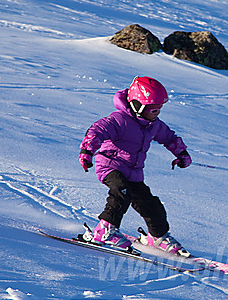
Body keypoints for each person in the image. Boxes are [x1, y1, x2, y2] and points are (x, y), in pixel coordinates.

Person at [79, 76, 192, 256]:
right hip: (110, 165)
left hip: (134, 172)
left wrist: (182, 154)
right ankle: (104, 231)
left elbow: (169, 137)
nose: (157, 114)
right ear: (138, 106)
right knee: (121, 192)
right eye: (154, 110)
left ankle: (157, 236)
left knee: (151, 204)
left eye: (159, 110)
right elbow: (97, 130)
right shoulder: (119, 120)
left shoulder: (153, 125)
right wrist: (87, 151)